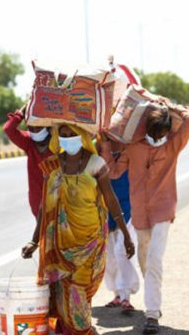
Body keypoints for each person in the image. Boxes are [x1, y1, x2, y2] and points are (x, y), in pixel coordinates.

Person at [22, 123, 135, 335]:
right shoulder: (53, 166)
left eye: (72, 134)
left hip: (89, 242)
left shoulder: (96, 163)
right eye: (62, 134)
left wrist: (126, 236)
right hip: (60, 245)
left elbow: (111, 201)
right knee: (63, 295)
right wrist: (34, 240)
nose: (67, 138)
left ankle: (81, 331)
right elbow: (44, 207)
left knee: (78, 292)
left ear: (83, 136)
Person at [100, 98, 189, 334]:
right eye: (154, 133)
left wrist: (166, 105)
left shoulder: (172, 145)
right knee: (145, 260)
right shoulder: (133, 148)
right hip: (140, 213)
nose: (158, 137)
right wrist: (104, 144)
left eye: (162, 132)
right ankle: (153, 298)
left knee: (154, 259)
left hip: (163, 210)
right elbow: (113, 172)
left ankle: (152, 314)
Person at [103, 146, 140, 313]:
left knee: (121, 250)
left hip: (129, 206)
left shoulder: (132, 150)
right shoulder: (99, 149)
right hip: (106, 207)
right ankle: (117, 294)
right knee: (109, 256)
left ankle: (126, 295)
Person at [3, 102, 53, 220]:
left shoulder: (58, 143)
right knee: (42, 235)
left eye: (39, 127)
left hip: (59, 199)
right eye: (31, 128)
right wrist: (20, 114)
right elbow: (8, 129)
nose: (35, 131)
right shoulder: (28, 142)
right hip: (37, 200)